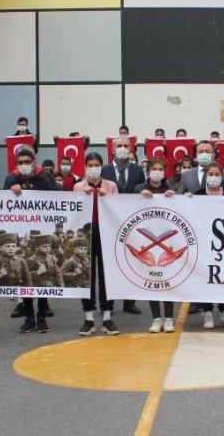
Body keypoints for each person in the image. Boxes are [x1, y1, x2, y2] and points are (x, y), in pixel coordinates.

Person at [4, 148, 56, 332]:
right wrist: (13, 190)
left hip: (40, 234)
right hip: (20, 235)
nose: (24, 165)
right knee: (24, 277)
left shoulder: (45, 178)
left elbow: (55, 200)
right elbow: (1, 204)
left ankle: (41, 315)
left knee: (40, 276)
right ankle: (28, 317)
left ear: (35, 162)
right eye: (21, 162)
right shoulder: (11, 179)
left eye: (28, 161)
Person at [185, 162, 224, 329]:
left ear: (222, 177)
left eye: (217, 174)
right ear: (206, 176)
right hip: (204, 242)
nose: (214, 178)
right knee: (205, 275)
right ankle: (207, 312)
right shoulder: (198, 194)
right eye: (211, 174)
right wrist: (185, 199)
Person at [74, 152, 120, 336]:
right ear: (85, 167)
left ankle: (107, 317)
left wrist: (106, 197)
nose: (93, 168)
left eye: (96, 164)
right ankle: (89, 318)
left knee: (106, 275)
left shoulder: (111, 186)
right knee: (87, 275)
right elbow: (72, 212)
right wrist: (83, 198)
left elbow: (119, 209)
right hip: (86, 234)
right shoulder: (78, 187)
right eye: (90, 165)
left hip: (106, 233)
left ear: (102, 166)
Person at [101, 136, 146, 315]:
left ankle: (129, 302)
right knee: (109, 265)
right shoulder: (103, 170)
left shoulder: (137, 170)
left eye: (126, 146)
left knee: (132, 263)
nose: (122, 148)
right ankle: (108, 305)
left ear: (131, 148)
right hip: (109, 223)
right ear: (112, 149)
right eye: (119, 146)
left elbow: (141, 192)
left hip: (131, 223)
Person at [135, 157, 178, 333]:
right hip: (146, 239)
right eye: (154, 169)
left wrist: (173, 197)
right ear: (148, 170)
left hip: (169, 238)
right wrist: (139, 197)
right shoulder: (138, 188)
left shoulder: (171, 189)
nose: (157, 172)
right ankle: (156, 319)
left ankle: (169, 319)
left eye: (161, 169)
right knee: (151, 279)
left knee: (168, 280)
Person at [0, 234, 34, 332]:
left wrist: (30, 289)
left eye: (13, 246)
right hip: (1, 286)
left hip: (17, 285)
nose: (11, 249)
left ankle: (30, 320)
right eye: (7, 246)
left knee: (27, 290)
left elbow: (27, 277)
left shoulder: (21, 260)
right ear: (0, 248)